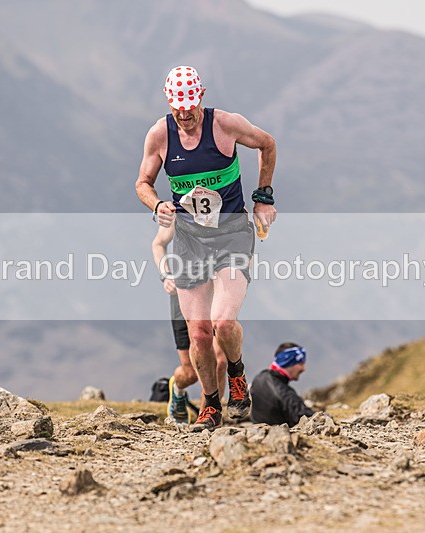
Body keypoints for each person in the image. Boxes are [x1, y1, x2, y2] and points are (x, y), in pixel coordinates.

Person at [136, 65, 277, 431]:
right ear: (170, 103)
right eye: (177, 108)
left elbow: (267, 144)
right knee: (198, 332)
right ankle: (211, 404)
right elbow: (143, 182)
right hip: (189, 240)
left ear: (200, 99)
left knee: (223, 322)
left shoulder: (225, 125)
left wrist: (263, 197)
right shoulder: (159, 134)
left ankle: (237, 373)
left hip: (231, 234)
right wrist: (156, 205)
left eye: (190, 107)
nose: (184, 115)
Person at [151, 222, 227, 424]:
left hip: (216, 292)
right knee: (192, 372)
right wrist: (166, 275)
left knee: (219, 361)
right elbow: (158, 244)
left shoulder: (228, 204)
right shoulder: (179, 209)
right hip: (185, 293)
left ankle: (208, 419)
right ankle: (177, 389)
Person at [250, 342, 314, 427]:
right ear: (288, 362)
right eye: (301, 364)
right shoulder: (285, 394)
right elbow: (310, 419)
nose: (304, 369)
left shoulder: (260, 377)